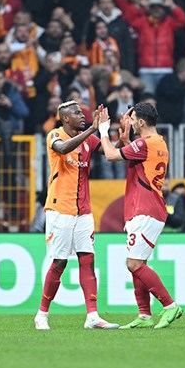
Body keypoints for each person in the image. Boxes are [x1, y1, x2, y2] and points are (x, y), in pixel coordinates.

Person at [97, 102, 183, 329]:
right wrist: (126, 140)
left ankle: (170, 305)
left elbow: (110, 155)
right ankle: (144, 315)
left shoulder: (145, 143)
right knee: (139, 263)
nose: (131, 122)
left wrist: (103, 130)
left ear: (142, 122)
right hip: (147, 207)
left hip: (146, 209)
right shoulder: (158, 142)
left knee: (134, 264)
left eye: (133, 119)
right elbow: (139, 164)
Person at [34, 101, 119, 330]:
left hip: (84, 211)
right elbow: (62, 149)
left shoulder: (89, 140)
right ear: (65, 118)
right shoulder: (55, 135)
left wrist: (120, 136)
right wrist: (92, 129)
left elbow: (111, 152)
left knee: (87, 260)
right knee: (59, 262)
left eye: (82, 112)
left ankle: (92, 316)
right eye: (77, 113)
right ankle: (42, 314)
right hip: (60, 209)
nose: (83, 115)